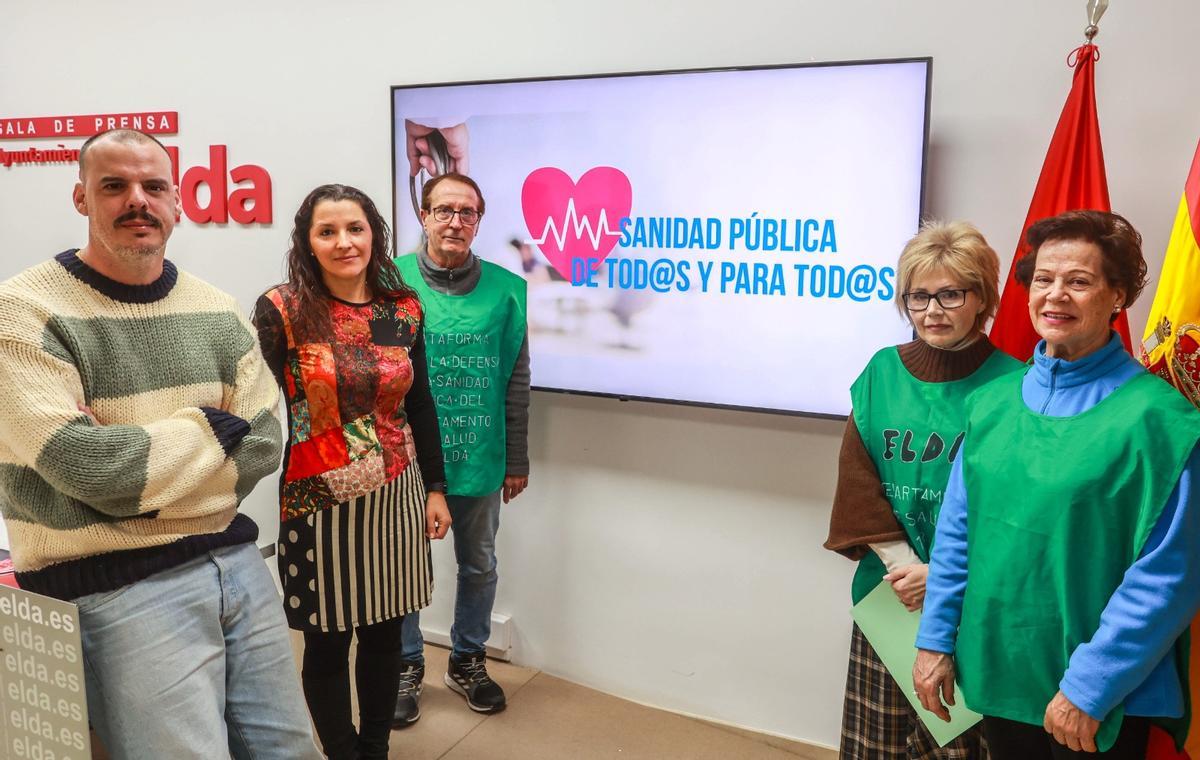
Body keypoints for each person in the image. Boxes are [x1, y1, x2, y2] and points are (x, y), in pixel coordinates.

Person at [0, 128, 320, 758]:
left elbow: (263, 442)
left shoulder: (216, 308)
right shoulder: (23, 313)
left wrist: (142, 459)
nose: (136, 201)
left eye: (153, 186)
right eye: (114, 186)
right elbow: (90, 468)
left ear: (177, 201)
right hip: (113, 585)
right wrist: (211, 429)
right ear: (81, 199)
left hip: (236, 564)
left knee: (291, 751)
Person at [914, 210, 1200, 759]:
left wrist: (1088, 687)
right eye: (1043, 279)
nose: (1055, 296)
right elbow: (956, 538)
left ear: (1117, 296)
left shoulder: (1160, 421)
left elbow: (1169, 575)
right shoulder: (992, 405)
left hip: (1096, 696)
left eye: (1079, 281)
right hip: (1001, 670)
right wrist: (934, 640)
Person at [252, 184, 452, 760]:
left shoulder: (398, 309)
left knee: (386, 633)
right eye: (327, 231)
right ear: (307, 242)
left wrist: (436, 488)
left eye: (355, 229)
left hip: (396, 490)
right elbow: (252, 399)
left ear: (374, 234)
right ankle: (342, 752)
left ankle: (377, 748)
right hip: (316, 499)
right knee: (327, 639)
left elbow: (415, 401)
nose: (344, 242)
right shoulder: (284, 310)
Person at [825, 221, 1019, 758]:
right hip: (891, 592)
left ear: (982, 299)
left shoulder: (1017, 386)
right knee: (876, 744)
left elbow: (1015, 508)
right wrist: (904, 567)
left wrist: (943, 577)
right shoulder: (881, 373)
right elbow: (858, 483)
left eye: (951, 294)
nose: (932, 310)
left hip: (971, 600)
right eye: (918, 296)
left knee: (955, 745)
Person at [392, 172, 530, 724]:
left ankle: (468, 658)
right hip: (402, 458)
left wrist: (517, 458)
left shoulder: (507, 288)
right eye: (444, 210)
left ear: (479, 221)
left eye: (467, 212)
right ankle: (405, 663)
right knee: (401, 565)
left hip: (479, 452)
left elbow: (516, 378)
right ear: (424, 215)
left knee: (478, 564)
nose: (455, 221)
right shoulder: (389, 280)